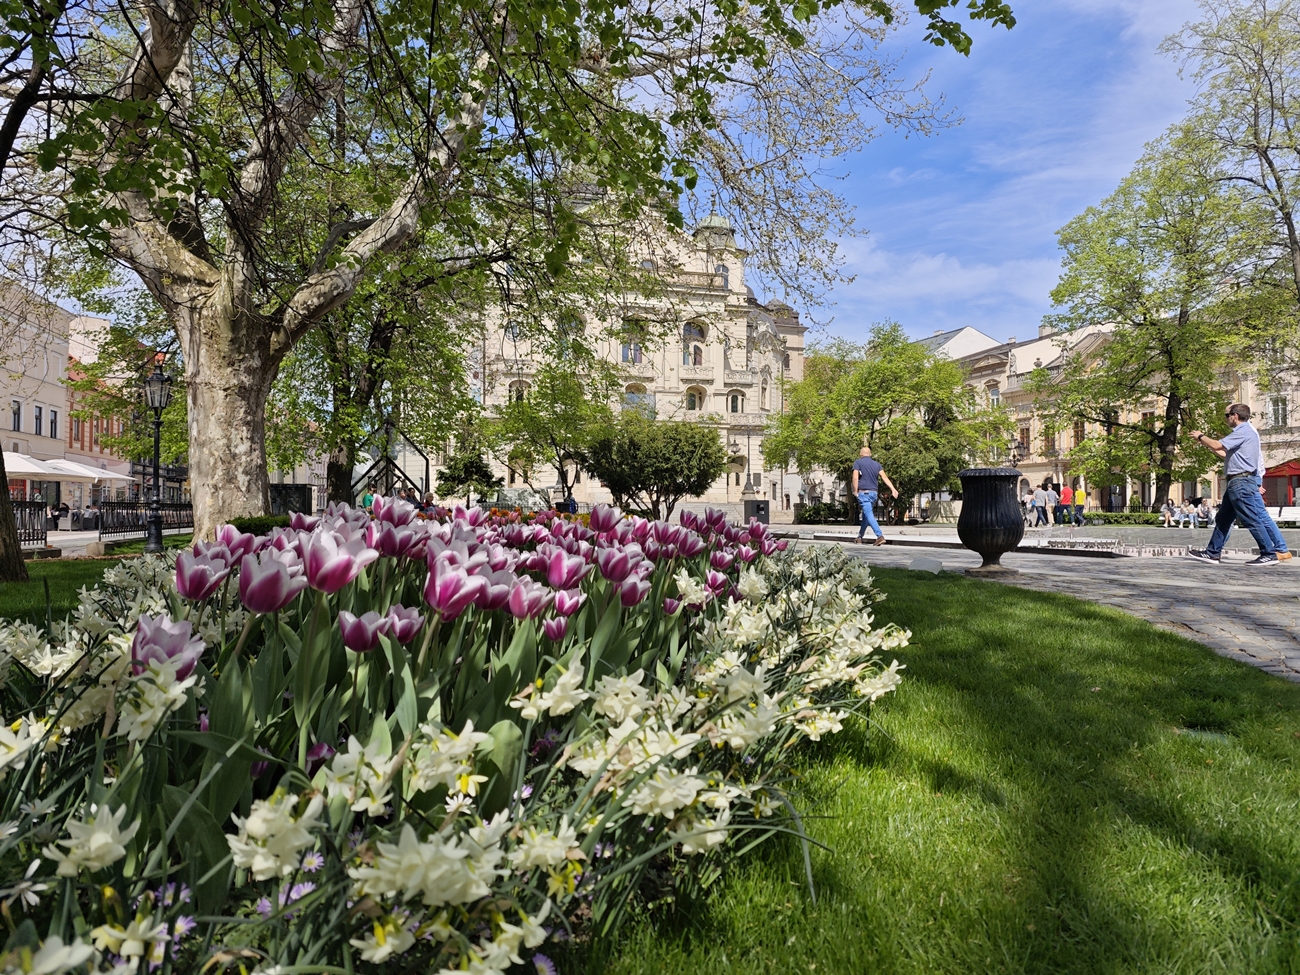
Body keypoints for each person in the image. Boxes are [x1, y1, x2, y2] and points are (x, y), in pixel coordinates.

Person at [1188, 404, 1285, 566]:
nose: (1226, 419)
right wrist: (1206, 443)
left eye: (1227, 415)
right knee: (1224, 519)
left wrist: (1200, 436)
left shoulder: (1243, 431)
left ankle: (1269, 553)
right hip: (1236, 481)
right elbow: (1223, 452)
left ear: (1235, 416)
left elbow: (1217, 445)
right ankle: (1212, 553)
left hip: (1241, 482)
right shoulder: (1244, 433)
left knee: (1252, 518)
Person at [851, 446, 898, 546]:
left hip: (864, 493)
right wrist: (893, 489)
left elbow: (855, 478)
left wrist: (855, 491)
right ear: (870, 454)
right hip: (874, 494)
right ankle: (859, 538)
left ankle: (879, 536)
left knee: (869, 515)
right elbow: (884, 477)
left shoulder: (858, 463)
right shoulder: (877, 464)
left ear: (860, 454)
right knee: (866, 516)